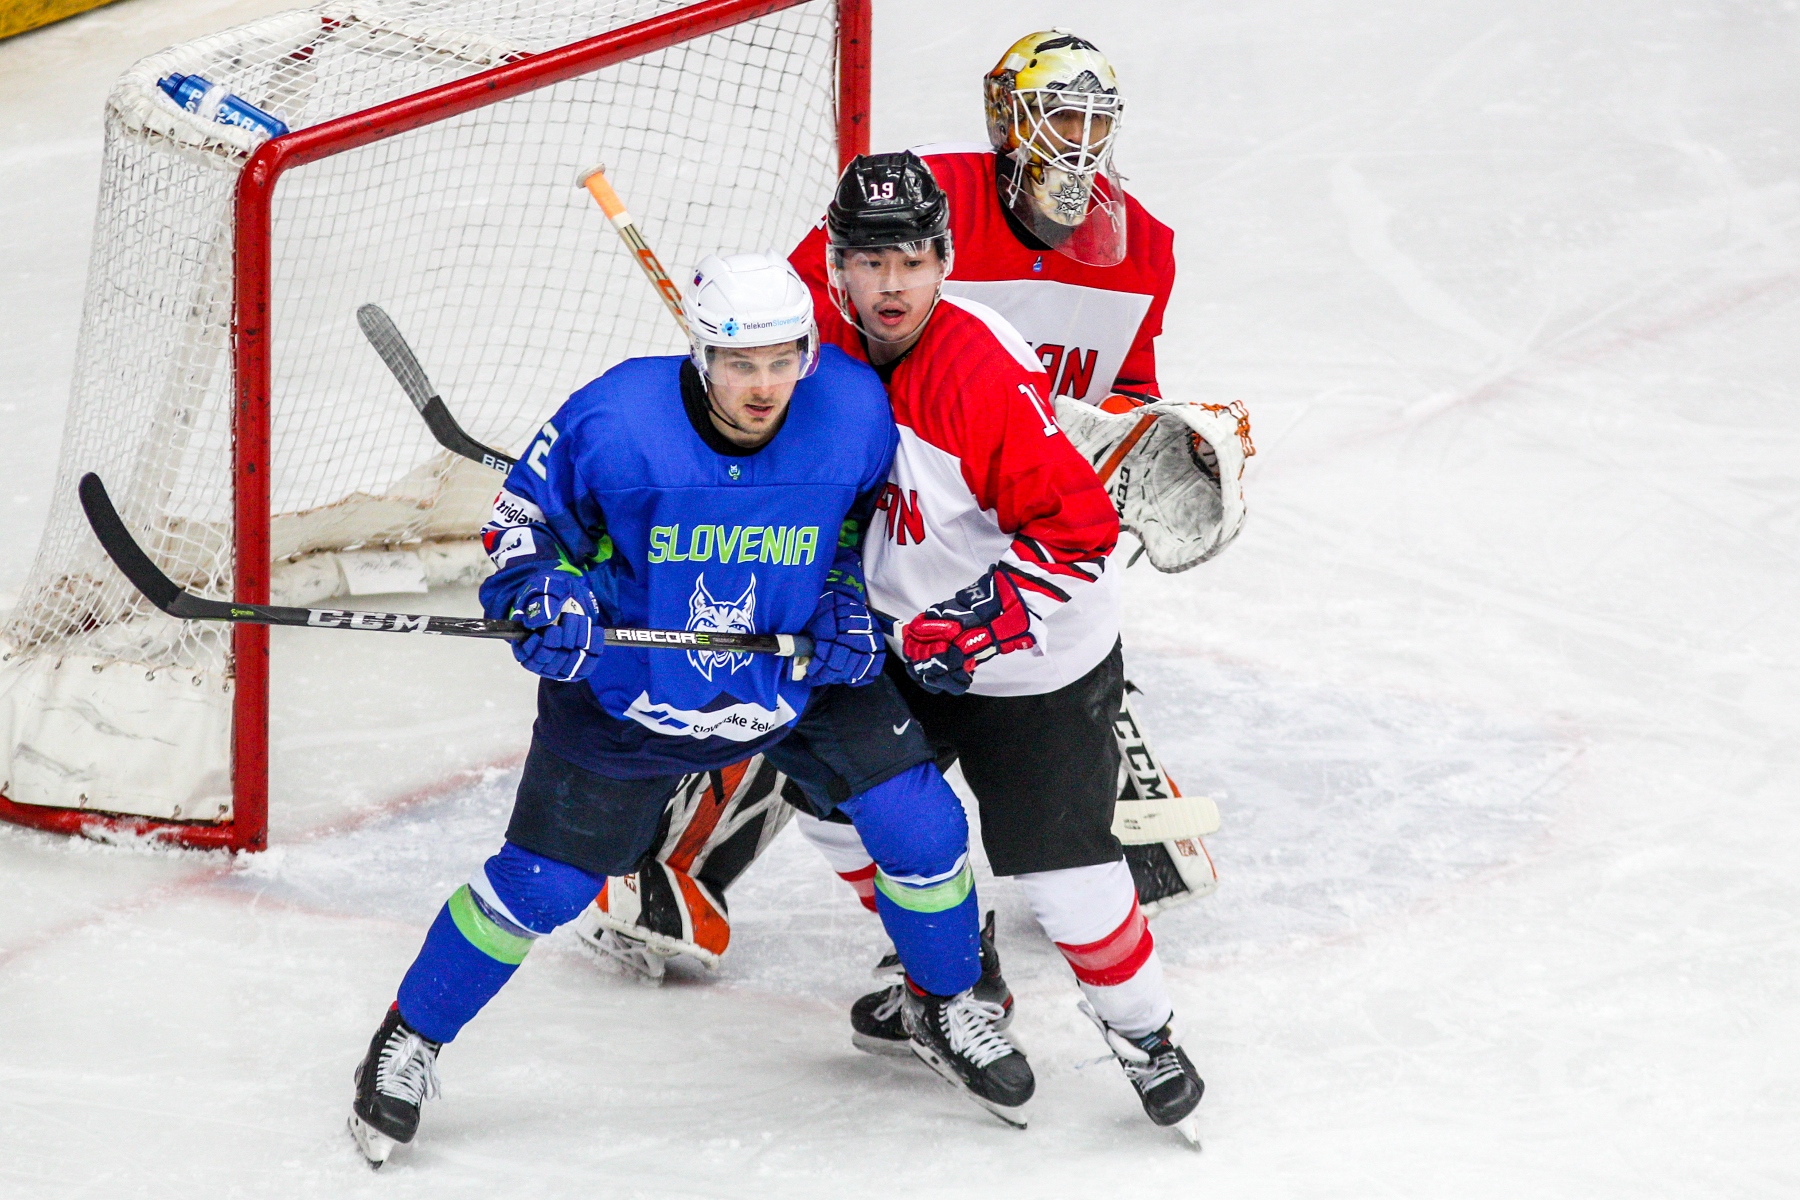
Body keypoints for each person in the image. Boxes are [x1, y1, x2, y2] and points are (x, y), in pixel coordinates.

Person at [345, 253, 1032, 1169]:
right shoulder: (615, 418)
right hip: (632, 694)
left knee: (920, 821)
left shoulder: (853, 411)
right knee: (543, 886)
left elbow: (851, 526)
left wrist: (838, 600)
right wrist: (546, 598)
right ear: (701, 354)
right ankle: (410, 1039)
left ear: (809, 355)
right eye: (740, 363)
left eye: (784, 360)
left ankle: (943, 1004)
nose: (763, 386)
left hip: (794, 671)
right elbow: (521, 533)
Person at [805, 152, 1205, 1144]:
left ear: (943, 260)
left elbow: (1081, 533)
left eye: (910, 258)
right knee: (825, 790)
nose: (890, 283)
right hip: (906, 638)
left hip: (1037, 657)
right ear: (835, 264)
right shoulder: (813, 353)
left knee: (1066, 876)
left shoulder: (979, 373)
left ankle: (1144, 1034)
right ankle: (953, 963)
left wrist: (989, 615)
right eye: (867, 260)